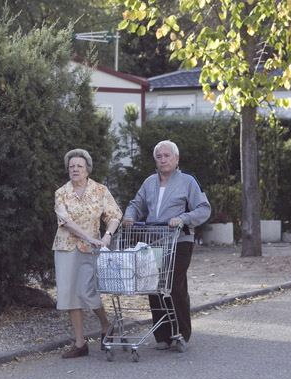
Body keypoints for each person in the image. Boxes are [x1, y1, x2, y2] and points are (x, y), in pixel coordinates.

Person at [122, 140, 211, 349]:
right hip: (155, 240)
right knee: (153, 286)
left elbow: (203, 208)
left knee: (174, 285)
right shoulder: (149, 182)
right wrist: (129, 217)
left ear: (176, 159)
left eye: (167, 156)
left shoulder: (187, 181)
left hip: (179, 241)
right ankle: (162, 336)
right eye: (159, 157)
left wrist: (183, 218)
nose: (162, 160)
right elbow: (136, 204)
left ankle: (180, 334)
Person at [52, 149, 122, 359]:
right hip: (66, 248)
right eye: (71, 166)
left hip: (92, 249)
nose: (75, 169)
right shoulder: (61, 193)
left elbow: (115, 214)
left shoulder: (100, 190)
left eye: (79, 166)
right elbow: (65, 221)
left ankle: (105, 325)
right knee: (70, 294)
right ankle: (80, 343)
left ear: (87, 169)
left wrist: (107, 235)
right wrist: (88, 236)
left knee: (90, 292)